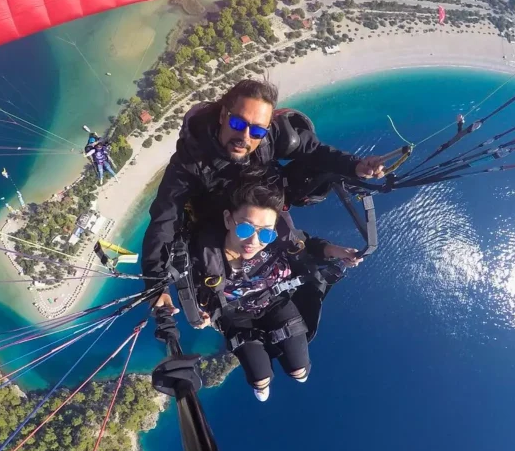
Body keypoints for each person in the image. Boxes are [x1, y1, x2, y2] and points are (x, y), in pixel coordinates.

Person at [143, 79, 383, 305]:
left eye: (257, 131)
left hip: (257, 204)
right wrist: (156, 285)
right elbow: (164, 220)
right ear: (223, 115)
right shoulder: (189, 162)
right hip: (217, 212)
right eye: (238, 124)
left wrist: (355, 166)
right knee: (209, 253)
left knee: (294, 224)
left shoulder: (272, 136)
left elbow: (314, 150)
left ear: (267, 129)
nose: (245, 137)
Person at [189, 166, 361, 401]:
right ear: (228, 219)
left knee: (299, 371)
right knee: (260, 379)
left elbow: (305, 245)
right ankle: (261, 382)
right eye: (245, 228)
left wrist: (337, 251)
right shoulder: (206, 256)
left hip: (276, 300)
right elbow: (191, 289)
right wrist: (201, 314)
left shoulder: (280, 239)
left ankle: (278, 368)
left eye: (265, 234)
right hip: (235, 313)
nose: (254, 241)